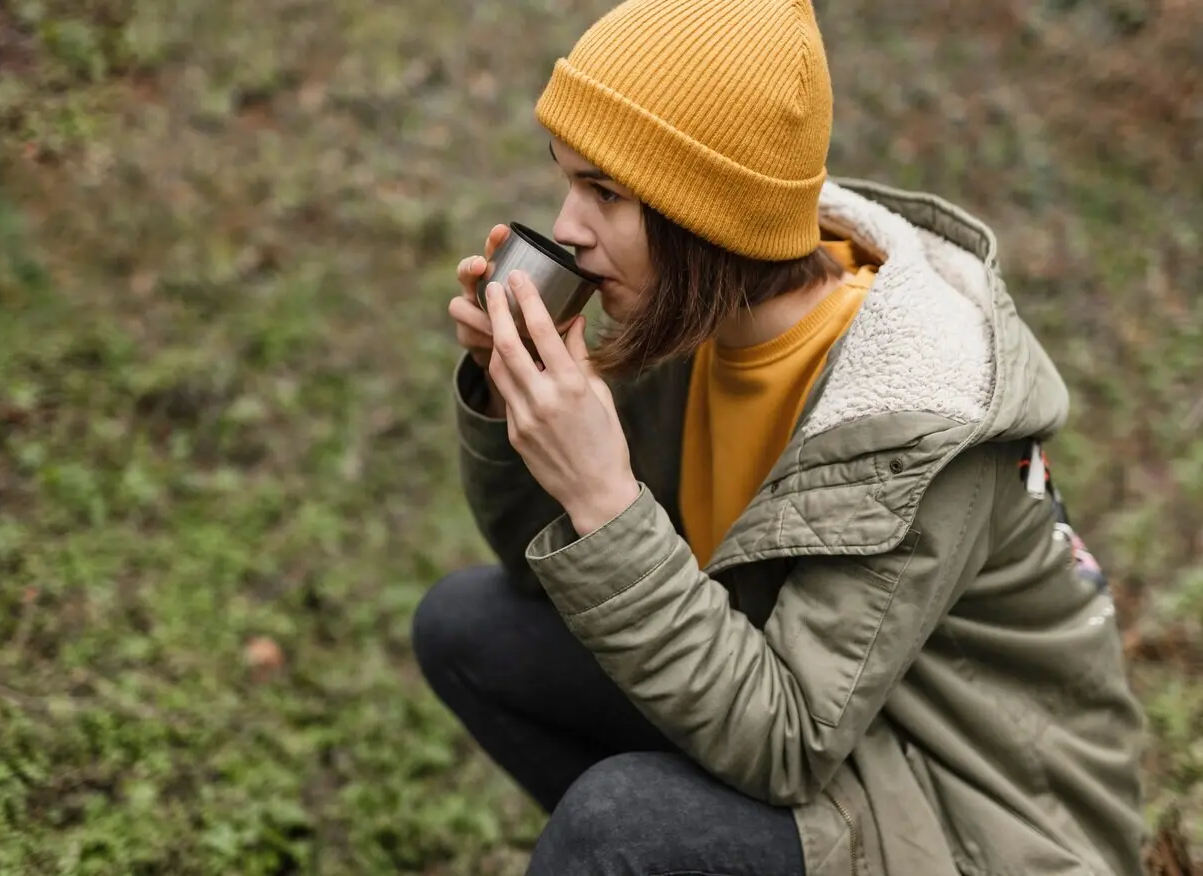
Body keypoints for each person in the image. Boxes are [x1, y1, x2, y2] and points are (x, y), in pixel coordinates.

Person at [411, 0, 1148, 873]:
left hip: (976, 816)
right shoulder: (690, 315)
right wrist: (513, 402)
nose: (567, 227)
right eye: (568, 180)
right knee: (470, 628)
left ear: (712, 213)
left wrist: (603, 498)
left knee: (622, 823)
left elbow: (789, 743)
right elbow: (540, 576)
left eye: (605, 193)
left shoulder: (910, 419)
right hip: (833, 733)